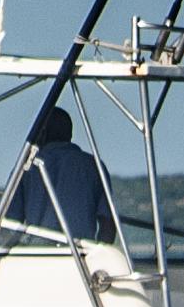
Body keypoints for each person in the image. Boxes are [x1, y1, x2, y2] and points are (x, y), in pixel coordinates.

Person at [12, 104, 124, 254]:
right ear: (69, 134)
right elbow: (108, 224)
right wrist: (97, 255)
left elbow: (11, 224)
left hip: (38, 255)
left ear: (42, 133)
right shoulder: (93, 166)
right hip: (80, 255)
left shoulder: (26, 167)